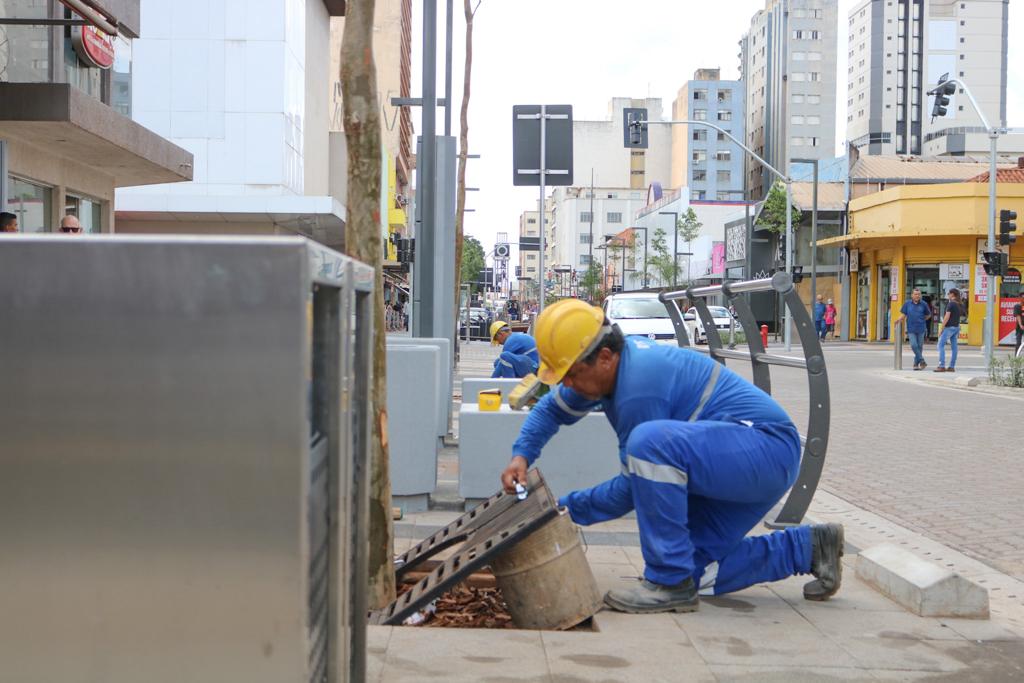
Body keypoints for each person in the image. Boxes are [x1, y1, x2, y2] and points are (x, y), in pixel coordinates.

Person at [499, 299, 844, 614]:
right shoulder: (606, 372)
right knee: (697, 573)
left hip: (765, 450)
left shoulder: (639, 386)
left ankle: (667, 582)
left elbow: (632, 489)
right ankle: (809, 547)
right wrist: (521, 456)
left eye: (571, 375)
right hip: (737, 459)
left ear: (604, 357)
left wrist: (561, 512)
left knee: (648, 444)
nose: (568, 385)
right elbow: (550, 410)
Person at [893, 288, 932, 370]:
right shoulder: (907, 304)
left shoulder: (924, 304)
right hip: (911, 329)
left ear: (920, 295)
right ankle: (922, 360)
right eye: (915, 294)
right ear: (912, 295)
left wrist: (922, 320)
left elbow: (928, 315)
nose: (917, 296)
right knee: (914, 345)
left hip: (921, 328)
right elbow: (903, 314)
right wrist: (898, 319)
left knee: (920, 347)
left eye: (919, 294)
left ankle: (915, 364)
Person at [934, 288, 962, 373]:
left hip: (949, 327)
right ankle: (951, 366)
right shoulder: (959, 304)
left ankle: (941, 365)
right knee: (954, 348)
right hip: (956, 327)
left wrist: (941, 328)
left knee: (940, 345)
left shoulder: (951, 304)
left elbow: (947, 317)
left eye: (949, 293)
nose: (948, 295)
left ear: (952, 294)